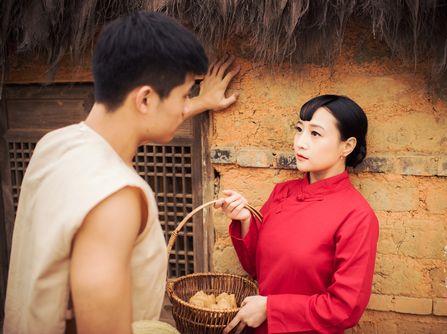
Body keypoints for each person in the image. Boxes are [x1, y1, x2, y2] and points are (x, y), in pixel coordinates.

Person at [4, 11, 239, 334]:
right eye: (184, 95)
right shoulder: (116, 198)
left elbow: (139, 121)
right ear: (144, 99)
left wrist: (200, 103)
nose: (187, 106)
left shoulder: (55, 145)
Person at [215, 95, 380, 334]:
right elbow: (255, 267)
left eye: (315, 134)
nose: (300, 143)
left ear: (347, 146)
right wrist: (245, 220)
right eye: (299, 129)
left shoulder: (357, 216)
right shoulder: (282, 193)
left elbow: (345, 308)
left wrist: (272, 308)